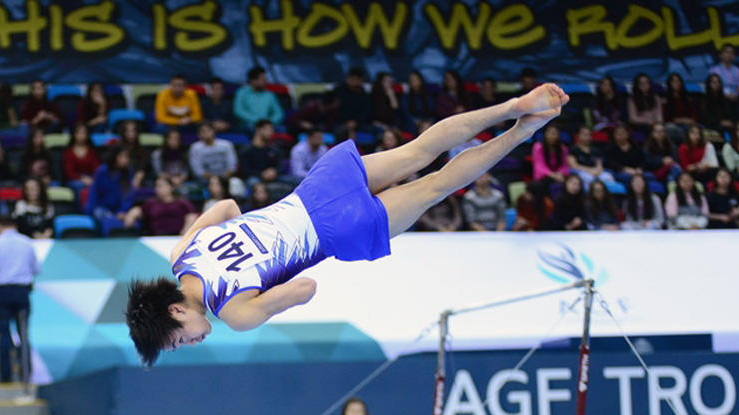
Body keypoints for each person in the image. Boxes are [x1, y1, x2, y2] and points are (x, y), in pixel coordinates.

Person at [126, 84, 570, 364]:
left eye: (179, 341)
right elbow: (224, 205)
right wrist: (255, 236)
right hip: (314, 192)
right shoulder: (181, 253)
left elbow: (304, 290)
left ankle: (521, 131)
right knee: (418, 150)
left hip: (336, 231)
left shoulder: (235, 313)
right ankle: (514, 103)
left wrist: (260, 299)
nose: (191, 344)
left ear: (176, 311)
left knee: (437, 186)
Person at [0, 215, 39, 390]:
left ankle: (6, 375)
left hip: (3, 291)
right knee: (23, 334)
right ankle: (26, 373)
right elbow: (37, 269)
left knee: (4, 333)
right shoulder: (27, 243)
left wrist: (1, 269)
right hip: (22, 291)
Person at [125, 176, 197, 235]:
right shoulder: (151, 203)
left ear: (170, 187)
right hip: (156, 238)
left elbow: (191, 216)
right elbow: (139, 211)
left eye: (161, 186)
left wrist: (186, 230)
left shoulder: (181, 203)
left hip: (177, 237)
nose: (158, 189)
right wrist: (132, 213)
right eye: (156, 186)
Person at [189, 121, 240, 194]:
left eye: (208, 130)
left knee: (236, 183)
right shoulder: (195, 148)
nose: (206, 133)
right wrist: (214, 179)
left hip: (225, 177)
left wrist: (222, 177)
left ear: (214, 131)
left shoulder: (226, 145)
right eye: (203, 131)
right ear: (199, 134)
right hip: (205, 180)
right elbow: (197, 170)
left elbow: (233, 165)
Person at [233, 67, 282, 132]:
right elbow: (238, 111)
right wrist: (258, 120)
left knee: (282, 129)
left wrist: (269, 122)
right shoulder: (242, 93)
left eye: (266, 79)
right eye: (262, 79)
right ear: (253, 80)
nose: (266, 81)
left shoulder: (269, 95)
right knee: (252, 128)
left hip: (268, 124)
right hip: (250, 124)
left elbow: (279, 113)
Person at [566, 126, 613, 191]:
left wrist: (598, 171)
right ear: (578, 135)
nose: (587, 137)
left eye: (589, 135)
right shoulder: (573, 149)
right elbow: (573, 165)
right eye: (585, 134)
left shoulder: (595, 150)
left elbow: (599, 164)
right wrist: (590, 170)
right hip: (581, 172)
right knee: (588, 178)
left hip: (595, 171)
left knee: (608, 177)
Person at [240, 120, 284, 187]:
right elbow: (245, 171)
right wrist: (262, 174)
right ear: (258, 130)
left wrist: (274, 171)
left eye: (272, 130)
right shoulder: (246, 150)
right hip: (254, 178)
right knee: (254, 182)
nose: (271, 133)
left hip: (273, 177)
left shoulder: (274, 150)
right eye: (268, 130)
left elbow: (280, 166)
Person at [62, 123, 100, 188]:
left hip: (90, 178)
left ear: (87, 135)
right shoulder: (68, 152)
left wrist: (92, 179)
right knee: (79, 185)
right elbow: (69, 173)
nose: (81, 135)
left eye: (84, 133)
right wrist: (81, 178)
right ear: (74, 134)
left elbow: (97, 169)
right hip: (74, 180)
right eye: (78, 133)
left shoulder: (92, 151)